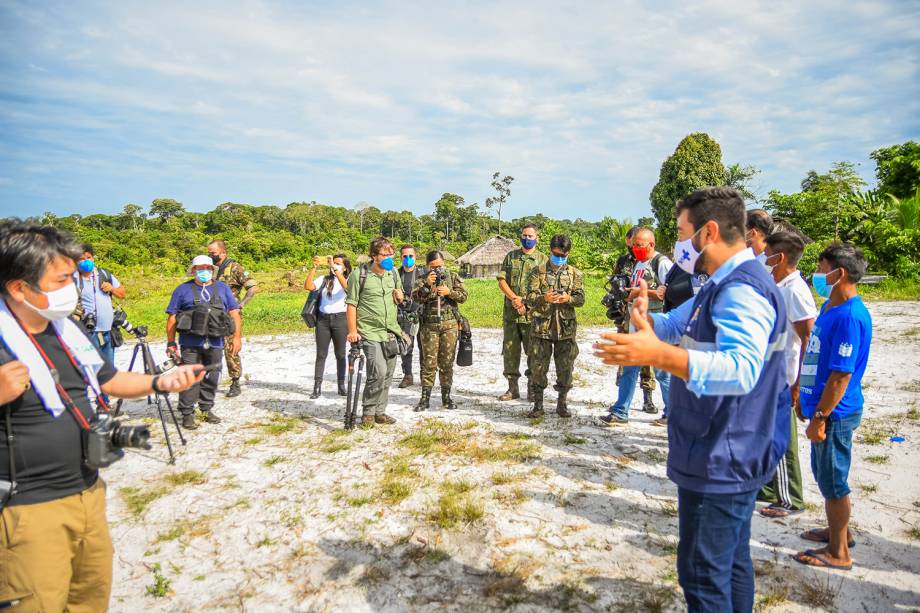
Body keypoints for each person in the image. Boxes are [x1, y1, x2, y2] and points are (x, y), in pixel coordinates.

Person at [594, 187, 788, 612]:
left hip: (724, 452)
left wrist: (657, 356)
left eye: (682, 232)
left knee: (703, 574)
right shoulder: (718, 285)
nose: (678, 243)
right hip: (722, 446)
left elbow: (740, 368)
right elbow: (675, 325)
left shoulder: (741, 290)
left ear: (709, 231)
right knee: (731, 561)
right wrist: (646, 320)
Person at [0, 223, 204, 612]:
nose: (71, 288)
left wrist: (160, 382)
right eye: (61, 279)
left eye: (73, 278)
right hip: (26, 509)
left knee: (90, 598)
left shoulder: (66, 327)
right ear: (19, 288)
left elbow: (107, 379)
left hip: (88, 490)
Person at [793, 243, 872, 572]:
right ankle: (838, 529)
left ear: (839, 274)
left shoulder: (850, 317)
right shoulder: (829, 308)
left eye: (822, 268)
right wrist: (804, 396)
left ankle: (839, 551)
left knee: (834, 481)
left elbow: (841, 376)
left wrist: (821, 417)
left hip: (835, 414)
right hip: (820, 409)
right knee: (826, 477)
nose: (817, 274)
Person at [757, 231, 816, 518]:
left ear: (778, 257)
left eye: (766, 254)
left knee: (782, 438)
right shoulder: (778, 284)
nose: (763, 259)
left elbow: (808, 338)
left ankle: (790, 498)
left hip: (784, 377)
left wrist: (799, 384)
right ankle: (768, 487)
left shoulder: (795, 290)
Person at [601, 227, 673, 424]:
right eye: (634, 246)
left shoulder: (662, 263)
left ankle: (672, 414)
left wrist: (641, 293)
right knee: (628, 368)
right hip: (636, 324)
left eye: (639, 246)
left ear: (651, 244)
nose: (635, 249)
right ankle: (620, 411)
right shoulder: (639, 263)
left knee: (662, 372)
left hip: (656, 324)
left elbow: (670, 292)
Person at [165, 255, 242, 429]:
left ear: (212, 270)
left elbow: (234, 313)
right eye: (200, 269)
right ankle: (187, 413)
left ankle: (206, 408)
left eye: (207, 268)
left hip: (215, 342)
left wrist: (236, 337)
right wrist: (171, 343)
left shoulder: (222, 288)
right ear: (193, 271)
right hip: (190, 343)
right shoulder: (182, 290)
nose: (204, 271)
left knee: (212, 376)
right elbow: (172, 318)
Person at [345, 237, 405, 427]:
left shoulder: (393, 273)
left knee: (387, 374)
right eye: (385, 255)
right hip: (369, 332)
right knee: (377, 372)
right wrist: (353, 331)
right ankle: (368, 413)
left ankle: (380, 412)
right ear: (374, 256)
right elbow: (351, 304)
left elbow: (400, 296)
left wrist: (399, 296)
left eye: (391, 254)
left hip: (391, 331)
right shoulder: (359, 275)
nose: (389, 258)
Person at [524, 234, 585, 418]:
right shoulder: (537, 272)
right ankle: (538, 405)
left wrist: (569, 298)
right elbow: (529, 298)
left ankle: (562, 403)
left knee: (565, 368)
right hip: (541, 328)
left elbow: (581, 299)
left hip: (565, 330)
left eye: (563, 254)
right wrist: (545, 298)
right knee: (538, 367)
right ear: (550, 251)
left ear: (568, 253)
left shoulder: (575, 274)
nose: (559, 257)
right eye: (556, 254)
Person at [652, 253, 709, 426]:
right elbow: (675, 322)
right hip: (679, 328)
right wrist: (663, 290)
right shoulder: (681, 264)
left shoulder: (716, 276)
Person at [497, 224, 548, 401]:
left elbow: (544, 288)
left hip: (532, 315)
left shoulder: (542, 259)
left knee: (533, 352)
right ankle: (512, 388)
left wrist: (526, 302)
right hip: (511, 314)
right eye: (524, 235)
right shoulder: (511, 257)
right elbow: (502, 280)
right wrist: (514, 299)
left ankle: (532, 388)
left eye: (530, 235)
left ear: (537, 238)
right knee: (510, 351)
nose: (527, 238)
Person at [412, 251, 468, 411]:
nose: (437, 269)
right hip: (429, 325)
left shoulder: (452, 276)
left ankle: (446, 397)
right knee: (428, 363)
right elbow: (416, 297)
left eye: (440, 266)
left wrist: (450, 293)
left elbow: (464, 296)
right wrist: (428, 285)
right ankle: (424, 399)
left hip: (449, 324)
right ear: (428, 266)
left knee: (447, 363)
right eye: (433, 267)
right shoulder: (422, 279)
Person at [208, 240, 257, 398]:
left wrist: (241, 304)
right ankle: (210, 379)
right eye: (209, 253)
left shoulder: (236, 268)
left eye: (213, 253)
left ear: (223, 252)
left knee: (231, 349)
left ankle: (235, 381)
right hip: (212, 314)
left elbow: (252, 287)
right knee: (211, 347)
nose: (211, 255)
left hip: (230, 315)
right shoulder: (210, 269)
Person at [612, 226, 656, 397]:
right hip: (625, 314)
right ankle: (622, 398)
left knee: (646, 357)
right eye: (633, 241)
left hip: (645, 314)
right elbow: (616, 284)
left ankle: (648, 395)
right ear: (628, 240)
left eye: (639, 242)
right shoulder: (622, 261)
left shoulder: (651, 261)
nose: (635, 246)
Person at [305, 254, 351, 399]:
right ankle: (317, 386)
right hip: (323, 320)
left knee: (341, 354)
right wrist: (314, 267)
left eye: (338, 263)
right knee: (321, 354)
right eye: (333, 263)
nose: (334, 265)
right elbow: (308, 286)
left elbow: (346, 287)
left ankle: (341, 385)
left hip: (340, 319)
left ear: (345, 268)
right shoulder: (324, 280)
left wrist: (334, 269)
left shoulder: (347, 279)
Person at [74, 243, 126, 365]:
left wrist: (112, 289)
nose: (86, 261)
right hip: (88, 332)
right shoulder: (73, 279)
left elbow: (122, 294)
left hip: (108, 330)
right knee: (93, 369)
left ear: (93, 258)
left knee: (109, 369)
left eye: (88, 257)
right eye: (81, 259)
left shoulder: (104, 275)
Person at [396, 245, 427, 388]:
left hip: (422, 314)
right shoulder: (395, 273)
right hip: (404, 315)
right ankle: (407, 375)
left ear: (415, 256)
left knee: (424, 347)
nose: (408, 259)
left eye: (411, 256)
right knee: (406, 347)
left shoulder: (423, 273)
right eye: (404, 256)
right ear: (400, 257)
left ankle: (424, 375)